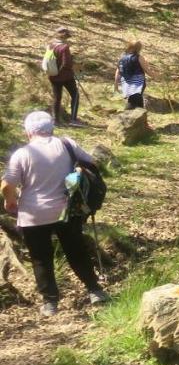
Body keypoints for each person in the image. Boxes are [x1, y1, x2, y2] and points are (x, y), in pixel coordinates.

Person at [2, 111, 109, 316]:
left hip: (33, 214)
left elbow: (7, 184)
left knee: (40, 257)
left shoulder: (22, 154)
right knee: (76, 250)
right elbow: (93, 164)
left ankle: (50, 302)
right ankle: (95, 291)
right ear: (51, 128)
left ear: (28, 132)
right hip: (66, 210)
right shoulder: (67, 144)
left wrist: (10, 201)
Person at [47, 27, 82, 126]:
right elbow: (66, 63)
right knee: (75, 95)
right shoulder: (64, 47)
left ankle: (55, 121)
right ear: (65, 37)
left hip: (53, 75)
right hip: (66, 77)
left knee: (57, 98)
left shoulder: (50, 45)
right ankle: (73, 120)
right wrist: (73, 63)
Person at [113, 40, 152, 110]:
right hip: (138, 83)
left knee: (138, 102)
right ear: (139, 48)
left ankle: (140, 118)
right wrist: (158, 76)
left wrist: (116, 85)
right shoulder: (139, 57)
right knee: (132, 103)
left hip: (126, 83)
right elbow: (147, 70)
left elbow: (118, 71)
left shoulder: (122, 57)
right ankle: (127, 118)